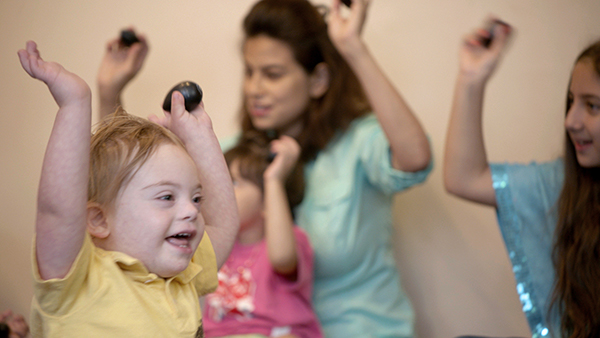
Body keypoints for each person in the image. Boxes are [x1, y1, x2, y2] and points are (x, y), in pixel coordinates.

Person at [97, 0, 432, 335]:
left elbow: (415, 160)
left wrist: (352, 48)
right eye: (249, 72)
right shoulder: (236, 158)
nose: (254, 89)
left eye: (272, 74)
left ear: (318, 80)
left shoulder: (359, 143)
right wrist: (110, 91)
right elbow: (129, 183)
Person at [18, 40, 238, 337]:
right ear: (98, 220)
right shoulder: (77, 280)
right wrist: (74, 104)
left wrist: (201, 139)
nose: (191, 210)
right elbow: (57, 214)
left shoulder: (182, 275)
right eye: (167, 197)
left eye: (196, 198)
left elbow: (222, 224)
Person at [444, 18, 600, 337]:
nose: (571, 120)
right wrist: (471, 80)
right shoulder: (560, 184)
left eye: (592, 106)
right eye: (572, 102)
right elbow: (464, 178)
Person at [203, 133, 322, 338]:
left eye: (234, 183)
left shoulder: (289, 240)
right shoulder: (215, 245)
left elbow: (283, 259)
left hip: (276, 333)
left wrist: (273, 180)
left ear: (268, 200)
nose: (221, 191)